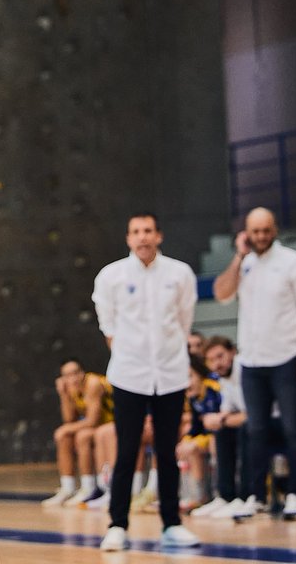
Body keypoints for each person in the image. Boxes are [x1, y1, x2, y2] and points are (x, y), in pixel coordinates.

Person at [92, 212, 200, 551]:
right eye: (136, 232)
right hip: (129, 376)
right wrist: (129, 352)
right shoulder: (111, 276)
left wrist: (168, 354)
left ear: (159, 235)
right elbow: (107, 326)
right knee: (127, 452)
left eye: (148, 231)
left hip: (169, 374)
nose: (143, 237)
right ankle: (117, 525)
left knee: (168, 452)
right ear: (128, 238)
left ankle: (171, 523)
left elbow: (185, 321)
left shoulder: (180, 273)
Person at [212, 206, 296, 521]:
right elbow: (221, 294)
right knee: (254, 429)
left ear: (275, 230)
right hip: (253, 363)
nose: (260, 237)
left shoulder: (293, 263)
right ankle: (256, 495)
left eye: (265, 230)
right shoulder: (244, 265)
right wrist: (238, 258)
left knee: (292, 429)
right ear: (246, 233)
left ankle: (295, 494)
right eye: (254, 231)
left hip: (287, 359)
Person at [42, 358, 115, 507]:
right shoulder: (71, 389)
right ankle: (67, 488)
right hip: (99, 427)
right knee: (65, 438)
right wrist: (64, 395)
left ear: (82, 373)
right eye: (67, 375)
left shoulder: (92, 383)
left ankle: (89, 487)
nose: (73, 378)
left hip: (114, 423)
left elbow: (93, 420)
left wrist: (65, 429)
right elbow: (69, 419)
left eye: (75, 373)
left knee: (81, 436)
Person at [192, 336, 250, 517]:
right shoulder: (224, 378)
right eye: (211, 360)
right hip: (250, 424)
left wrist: (223, 419)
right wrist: (215, 419)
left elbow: (252, 415)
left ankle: (246, 496)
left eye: (220, 356)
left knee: (246, 430)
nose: (217, 364)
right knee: (222, 430)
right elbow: (227, 411)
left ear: (232, 352)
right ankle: (225, 496)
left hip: (283, 422)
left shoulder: (246, 370)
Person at [176, 355, 222, 509]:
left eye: (190, 376)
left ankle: (218, 494)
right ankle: (195, 495)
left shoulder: (213, 388)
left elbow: (218, 422)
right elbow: (196, 427)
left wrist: (194, 442)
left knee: (195, 447)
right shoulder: (194, 397)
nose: (187, 383)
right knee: (185, 446)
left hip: (223, 434)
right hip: (208, 436)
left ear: (201, 374)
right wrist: (186, 440)